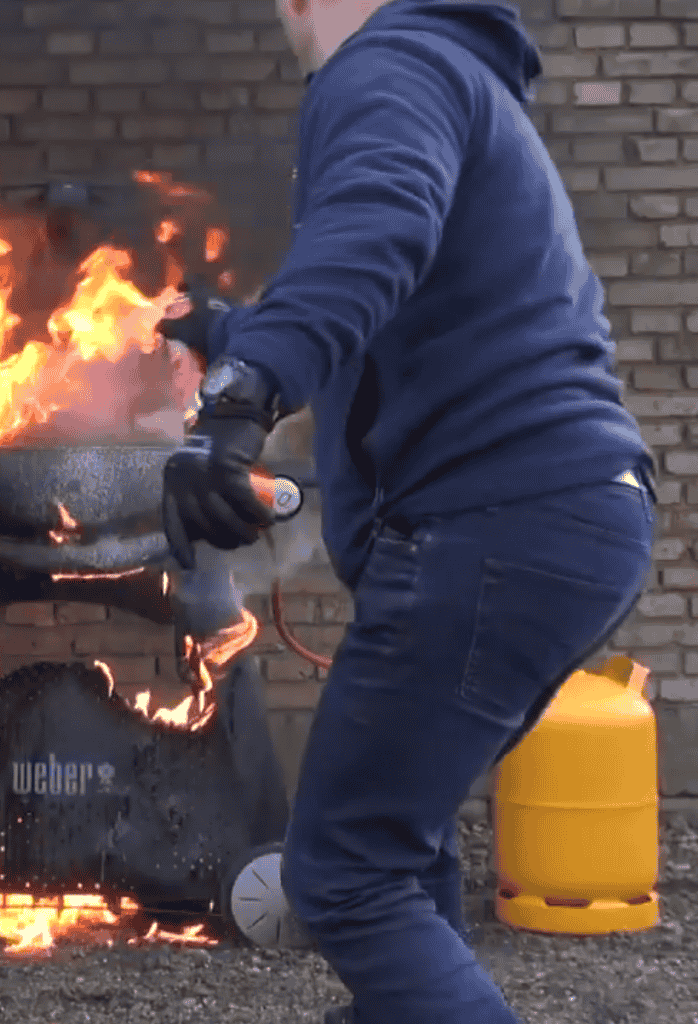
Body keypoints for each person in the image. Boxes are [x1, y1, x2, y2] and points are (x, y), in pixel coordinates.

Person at [158, 0, 657, 1022]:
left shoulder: (389, 65)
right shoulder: (449, 71)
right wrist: (227, 330)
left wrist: (240, 398)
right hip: (562, 517)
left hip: (497, 524)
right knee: (403, 842)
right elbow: (392, 293)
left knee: (346, 867)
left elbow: (373, 232)